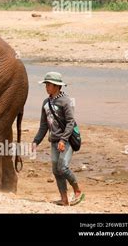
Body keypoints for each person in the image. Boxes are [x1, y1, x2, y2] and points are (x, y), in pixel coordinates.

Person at [32, 72, 85, 206]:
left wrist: (63, 140)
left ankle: (77, 190)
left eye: (48, 84)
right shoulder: (46, 103)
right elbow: (44, 125)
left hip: (66, 140)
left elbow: (70, 122)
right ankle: (64, 199)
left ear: (56, 86)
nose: (46, 87)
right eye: (46, 84)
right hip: (54, 141)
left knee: (63, 167)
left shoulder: (65, 101)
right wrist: (36, 141)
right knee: (56, 170)